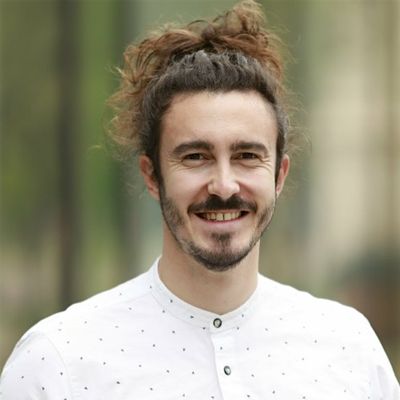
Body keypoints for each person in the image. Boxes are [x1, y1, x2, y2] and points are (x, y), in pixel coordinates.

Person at [1, 1, 399, 399]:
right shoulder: (57, 362)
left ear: (279, 175)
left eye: (247, 156)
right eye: (195, 157)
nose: (224, 186)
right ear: (152, 176)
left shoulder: (350, 350)